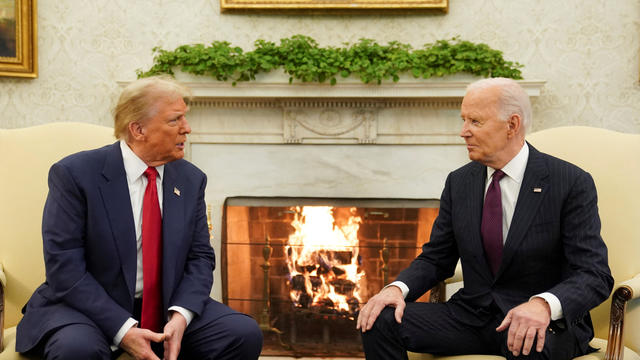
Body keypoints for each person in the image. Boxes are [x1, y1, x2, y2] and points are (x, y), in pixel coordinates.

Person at [356, 77, 613, 360]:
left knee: (528, 344)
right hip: (471, 316)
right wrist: (396, 289)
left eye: (475, 122)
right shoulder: (459, 182)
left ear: (512, 125)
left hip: (542, 321)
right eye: (464, 120)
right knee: (379, 319)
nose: (463, 132)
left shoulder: (569, 182)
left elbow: (594, 274)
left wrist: (542, 305)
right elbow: (436, 258)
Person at [16, 76, 263, 360]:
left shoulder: (191, 179)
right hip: (86, 307)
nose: (187, 128)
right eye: (175, 120)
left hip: (163, 305)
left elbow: (200, 258)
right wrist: (123, 330)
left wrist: (181, 315)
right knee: (77, 349)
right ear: (138, 129)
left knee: (242, 334)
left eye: (185, 118)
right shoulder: (76, 174)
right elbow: (64, 267)